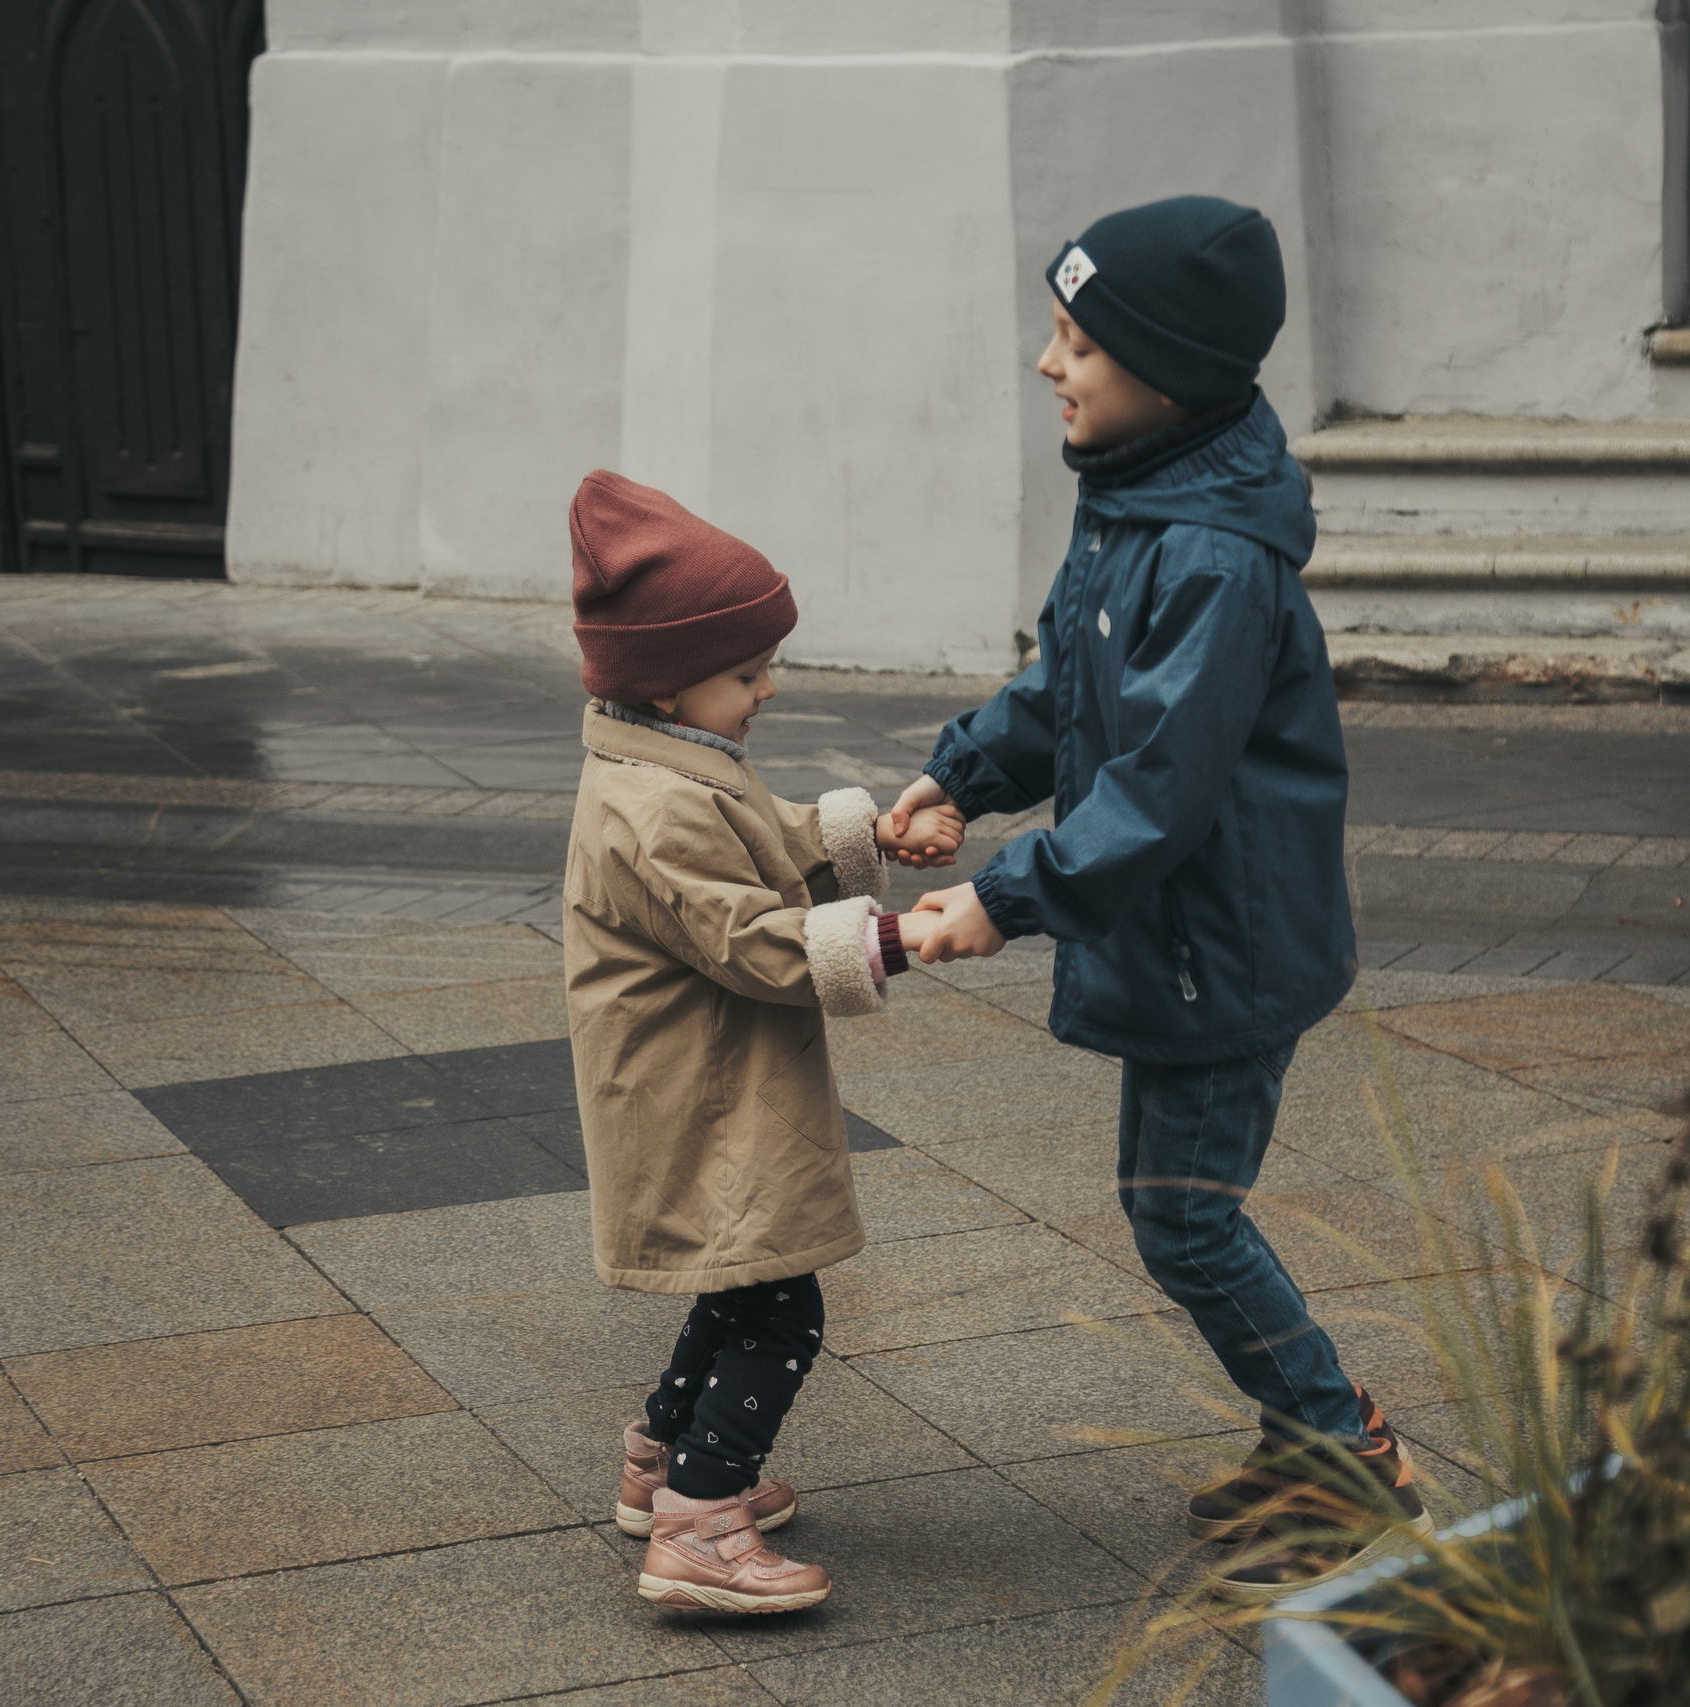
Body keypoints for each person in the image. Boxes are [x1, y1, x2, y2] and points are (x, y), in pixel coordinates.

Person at [888, 195, 1430, 1602]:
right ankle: (1308, 1437)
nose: (1047, 362)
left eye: (1076, 340)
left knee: (1183, 1216)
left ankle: (1343, 1446)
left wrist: (1001, 899)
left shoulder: (1214, 556)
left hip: (1226, 941)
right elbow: (1068, 679)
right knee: (1172, 1204)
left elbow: (1161, 787)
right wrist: (963, 771)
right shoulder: (1138, 497)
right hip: (1191, 934)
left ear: (1169, 370)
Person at [561, 469, 965, 1614]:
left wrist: (858, 835)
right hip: (696, 1092)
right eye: (746, 674)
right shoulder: (656, 805)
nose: (766, 689)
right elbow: (746, 938)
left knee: (739, 1279)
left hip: (704, 1077)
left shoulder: (668, 767)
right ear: (666, 679)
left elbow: (759, 839)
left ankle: (661, 1464)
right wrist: (893, 939)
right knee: (783, 1309)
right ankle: (700, 1522)